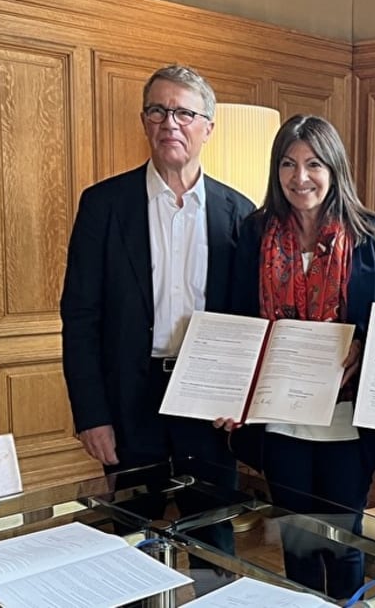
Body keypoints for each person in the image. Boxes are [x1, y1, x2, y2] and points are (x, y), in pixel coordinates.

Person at [60, 64, 255, 554]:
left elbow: (251, 322)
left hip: (206, 401)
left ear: (208, 127)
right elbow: (80, 318)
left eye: (184, 113)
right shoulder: (103, 205)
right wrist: (91, 415)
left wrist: (239, 401)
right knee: (130, 538)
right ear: (145, 120)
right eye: (158, 110)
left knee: (213, 537)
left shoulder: (241, 215)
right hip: (129, 398)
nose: (170, 123)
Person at [216, 114, 375, 599]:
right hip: (281, 421)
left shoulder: (373, 235)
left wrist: (364, 343)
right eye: (288, 164)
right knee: (298, 543)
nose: (300, 177)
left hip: (346, 421)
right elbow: (238, 318)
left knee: (343, 542)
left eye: (314, 163)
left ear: (334, 168)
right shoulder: (254, 234)